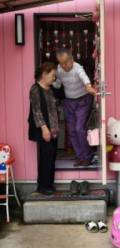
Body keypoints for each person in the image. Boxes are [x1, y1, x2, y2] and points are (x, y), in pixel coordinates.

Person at [54, 48, 97, 166]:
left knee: (79, 128)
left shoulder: (78, 68)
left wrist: (88, 86)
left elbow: (84, 78)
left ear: (72, 59)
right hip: (69, 102)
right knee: (72, 131)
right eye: (61, 63)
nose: (64, 66)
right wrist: (52, 80)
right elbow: (58, 85)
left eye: (66, 62)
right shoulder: (59, 69)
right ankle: (81, 157)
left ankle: (87, 156)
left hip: (83, 100)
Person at [28, 62, 58, 195]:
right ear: (44, 74)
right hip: (43, 129)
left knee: (51, 156)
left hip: (52, 130)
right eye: (52, 75)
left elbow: (52, 111)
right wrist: (45, 129)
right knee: (45, 156)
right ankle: (43, 186)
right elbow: (37, 111)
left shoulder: (50, 90)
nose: (54, 78)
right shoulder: (35, 89)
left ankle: (49, 184)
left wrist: (55, 130)